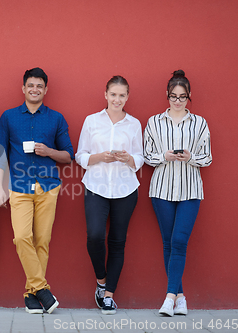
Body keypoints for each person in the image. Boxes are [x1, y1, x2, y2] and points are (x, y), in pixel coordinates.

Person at [0, 67, 74, 314]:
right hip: (18, 186)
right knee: (21, 237)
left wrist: (48, 151)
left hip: (48, 186)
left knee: (42, 241)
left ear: (45, 90)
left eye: (39, 86)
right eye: (31, 85)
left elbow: (68, 156)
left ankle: (31, 294)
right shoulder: (8, 117)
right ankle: (42, 289)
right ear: (23, 88)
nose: (35, 89)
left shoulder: (56, 118)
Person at [144, 70, 212, 316]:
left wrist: (190, 157)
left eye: (182, 97)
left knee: (179, 241)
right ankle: (180, 297)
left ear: (189, 96)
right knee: (168, 243)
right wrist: (165, 156)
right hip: (161, 189)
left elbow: (207, 158)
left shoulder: (200, 123)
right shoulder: (154, 122)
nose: (177, 101)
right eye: (173, 96)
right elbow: (147, 157)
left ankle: (169, 297)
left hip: (191, 189)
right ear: (167, 95)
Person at [75, 76, 144, 315]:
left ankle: (108, 295)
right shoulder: (91, 121)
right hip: (96, 186)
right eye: (113, 94)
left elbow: (140, 158)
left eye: (122, 95)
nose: (117, 99)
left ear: (127, 97)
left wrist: (129, 159)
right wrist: (98, 157)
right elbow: (80, 155)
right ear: (105, 94)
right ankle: (101, 280)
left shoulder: (134, 124)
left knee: (117, 241)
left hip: (125, 190)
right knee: (94, 236)